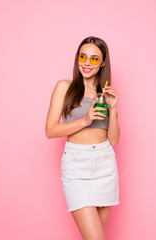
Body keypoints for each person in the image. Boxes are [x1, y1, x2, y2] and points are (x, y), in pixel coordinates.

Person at [45, 36, 120, 240]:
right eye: (83, 56)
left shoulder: (104, 93)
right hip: (76, 165)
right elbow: (50, 130)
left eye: (94, 59)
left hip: (105, 162)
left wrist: (112, 109)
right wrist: (85, 121)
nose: (87, 63)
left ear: (103, 62)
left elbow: (113, 140)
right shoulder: (64, 87)